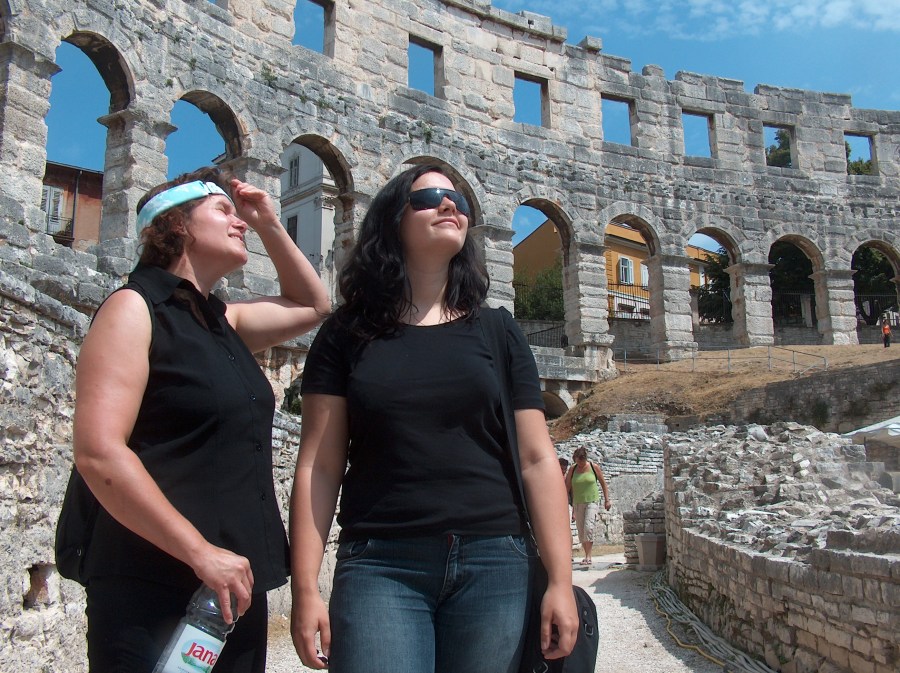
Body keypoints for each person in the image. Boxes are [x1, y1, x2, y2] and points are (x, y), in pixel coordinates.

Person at [289, 164, 578, 673]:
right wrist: (305, 588)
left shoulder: (499, 330)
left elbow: (537, 458)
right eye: (429, 198)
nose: (450, 206)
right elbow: (320, 464)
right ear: (392, 221)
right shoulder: (345, 334)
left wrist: (560, 580)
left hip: (495, 560)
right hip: (381, 561)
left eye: (459, 201)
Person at [71, 166, 330, 673]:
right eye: (223, 211)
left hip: (232, 586)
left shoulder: (222, 321)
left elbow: (313, 304)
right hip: (152, 582)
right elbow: (99, 452)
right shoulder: (134, 308)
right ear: (177, 224)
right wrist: (199, 552)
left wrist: (268, 222)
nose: (239, 223)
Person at [565, 447, 611, 566]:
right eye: (578, 461)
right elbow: (567, 487)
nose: (580, 464)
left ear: (585, 459)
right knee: (581, 530)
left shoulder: (593, 467)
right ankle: (586, 555)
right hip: (578, 502)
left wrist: (607, 500)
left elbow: (603, 484)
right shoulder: (573, 469)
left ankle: (588, 556)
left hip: (592, 501)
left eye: (582, 461)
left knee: (588, 527)